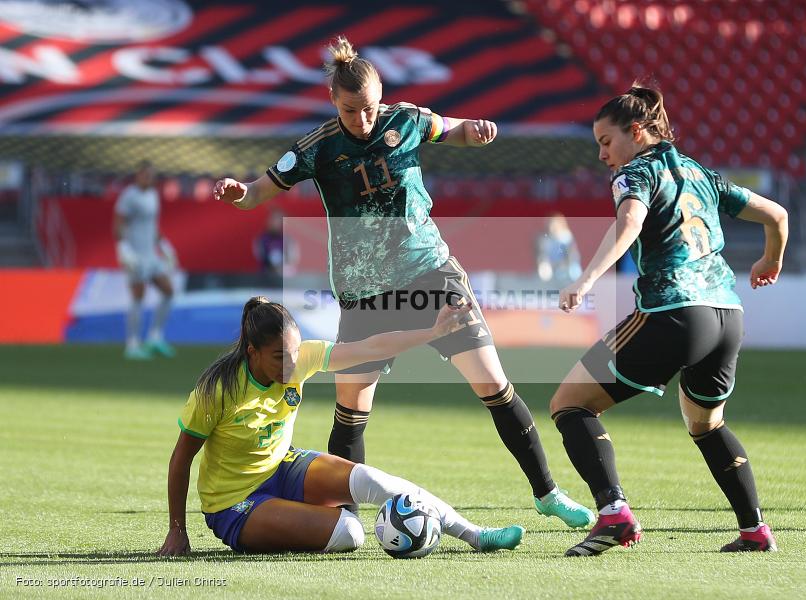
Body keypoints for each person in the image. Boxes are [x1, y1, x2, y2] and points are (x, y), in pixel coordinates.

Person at [212, 36, 594, 528]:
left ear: (382, 97)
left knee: (494, 384)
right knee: (351, 410)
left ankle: (548, 492)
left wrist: (475, 131)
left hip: (430, 272)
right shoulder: (318, 147)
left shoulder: (407, 120)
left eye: (370, 108)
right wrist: (239, 192)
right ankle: (344, 518)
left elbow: (453, 130)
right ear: (333, 101)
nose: (362, 120)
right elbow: (258, 192)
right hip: (364, 292)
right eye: (350, 111)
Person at [549, 85, 789, 556]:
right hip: (727, 316)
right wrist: (771, 260)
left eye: (606, 141)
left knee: (569, 404)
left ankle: (614, 514)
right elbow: (776, 215)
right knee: (707, 426)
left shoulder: (635, 173)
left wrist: (587, 277)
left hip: (673, 311)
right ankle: (755, 530)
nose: (602, 155)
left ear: (637, 131)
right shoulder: (702, 173)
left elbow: (630, 223)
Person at [158, 296, 525, 555]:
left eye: (295, 353)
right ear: (252, 352)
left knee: (373, 480)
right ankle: (283, 520)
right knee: (350, 533)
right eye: (279, 357)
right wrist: (177, 530)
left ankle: (476, 535)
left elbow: (371, 348)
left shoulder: (300, 359)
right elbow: (180, 460)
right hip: (234, 503)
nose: (291, 365)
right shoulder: (217, 391)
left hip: (282, 468)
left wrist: (433, 331)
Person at [113, 160, 177, 360]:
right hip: (135, 255)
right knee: (138, 297)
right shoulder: (129, 196)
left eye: (151, 175)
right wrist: (123, 249)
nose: (148, 178)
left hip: (151, 255)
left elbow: (152, 225)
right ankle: (132, 345)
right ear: (138, 175)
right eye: (145, 174)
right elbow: (118, 223)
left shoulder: (153, 195)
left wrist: (164, 245)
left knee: (168, 291)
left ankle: (155, 337)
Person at [536, 212, 582, 284]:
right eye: (550, 224)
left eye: (553, 224)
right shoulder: (546, 239)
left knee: (573, 271)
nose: (551, 227)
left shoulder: (566, 237)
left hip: (567, 264)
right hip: (553, 265)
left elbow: (571, 254)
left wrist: (565, 264)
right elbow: (543, 255)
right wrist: (544, 264)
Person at [254, 208, 298, 279]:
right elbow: (261, 257)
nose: (275, 223)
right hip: (267, 274)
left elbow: (292, 258)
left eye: (278, 220)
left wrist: (283, 267)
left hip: (284, 274)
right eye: (273, 220)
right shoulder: (262, 240)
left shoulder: (287, 239)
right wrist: (273, 268)